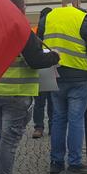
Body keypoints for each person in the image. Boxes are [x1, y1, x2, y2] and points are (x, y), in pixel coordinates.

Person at [0, 0, 60, 174]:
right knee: (9, 140)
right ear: (21, 8)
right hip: (15, 93)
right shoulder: (20, 27)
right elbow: (35, 59)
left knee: (0, 135)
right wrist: (54, 56)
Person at [38, 0, 87, 174]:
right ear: (77, 1)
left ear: (62, 1)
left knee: (58, 118)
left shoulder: (48, 18)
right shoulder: (83, 18)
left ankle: (56, 161)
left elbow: (38, 44)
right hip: (78, 76)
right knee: (76, 120)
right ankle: (75, 163)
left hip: (55, 74)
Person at [32, 7, 54, 138]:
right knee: (50, 101)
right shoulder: (36, 32)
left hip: (43, 68)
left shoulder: (36, 31)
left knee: (41, 102)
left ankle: (39, 127)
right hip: (47, 67)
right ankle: (50, 127)